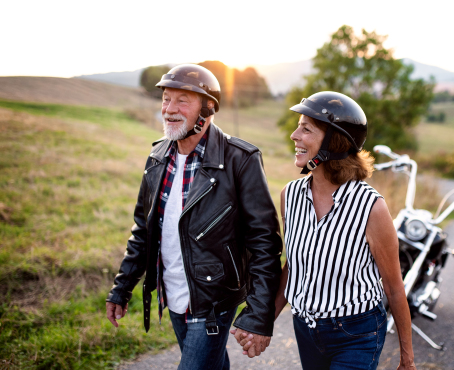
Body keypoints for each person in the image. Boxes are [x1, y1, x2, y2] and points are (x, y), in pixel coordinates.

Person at [105, 64, 282, 369]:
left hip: (214, 299)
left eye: (182, 100)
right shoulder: (157, 157)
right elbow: (143, 230)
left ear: (208, 108)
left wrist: (258, 311)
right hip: (172, 295)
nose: (168, 110)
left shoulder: (240, 159)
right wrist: (122, 287)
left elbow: (264, 242)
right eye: (165, 99)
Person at [239, 91, 417, 369]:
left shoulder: (371, 207)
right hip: (306, 331)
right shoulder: (291, 195)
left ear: (333, 142)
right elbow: (295, 267)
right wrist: (263, 322)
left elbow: (394, 288)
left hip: (357, 333)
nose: (294, 135)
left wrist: (407, 359)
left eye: (306, 128)